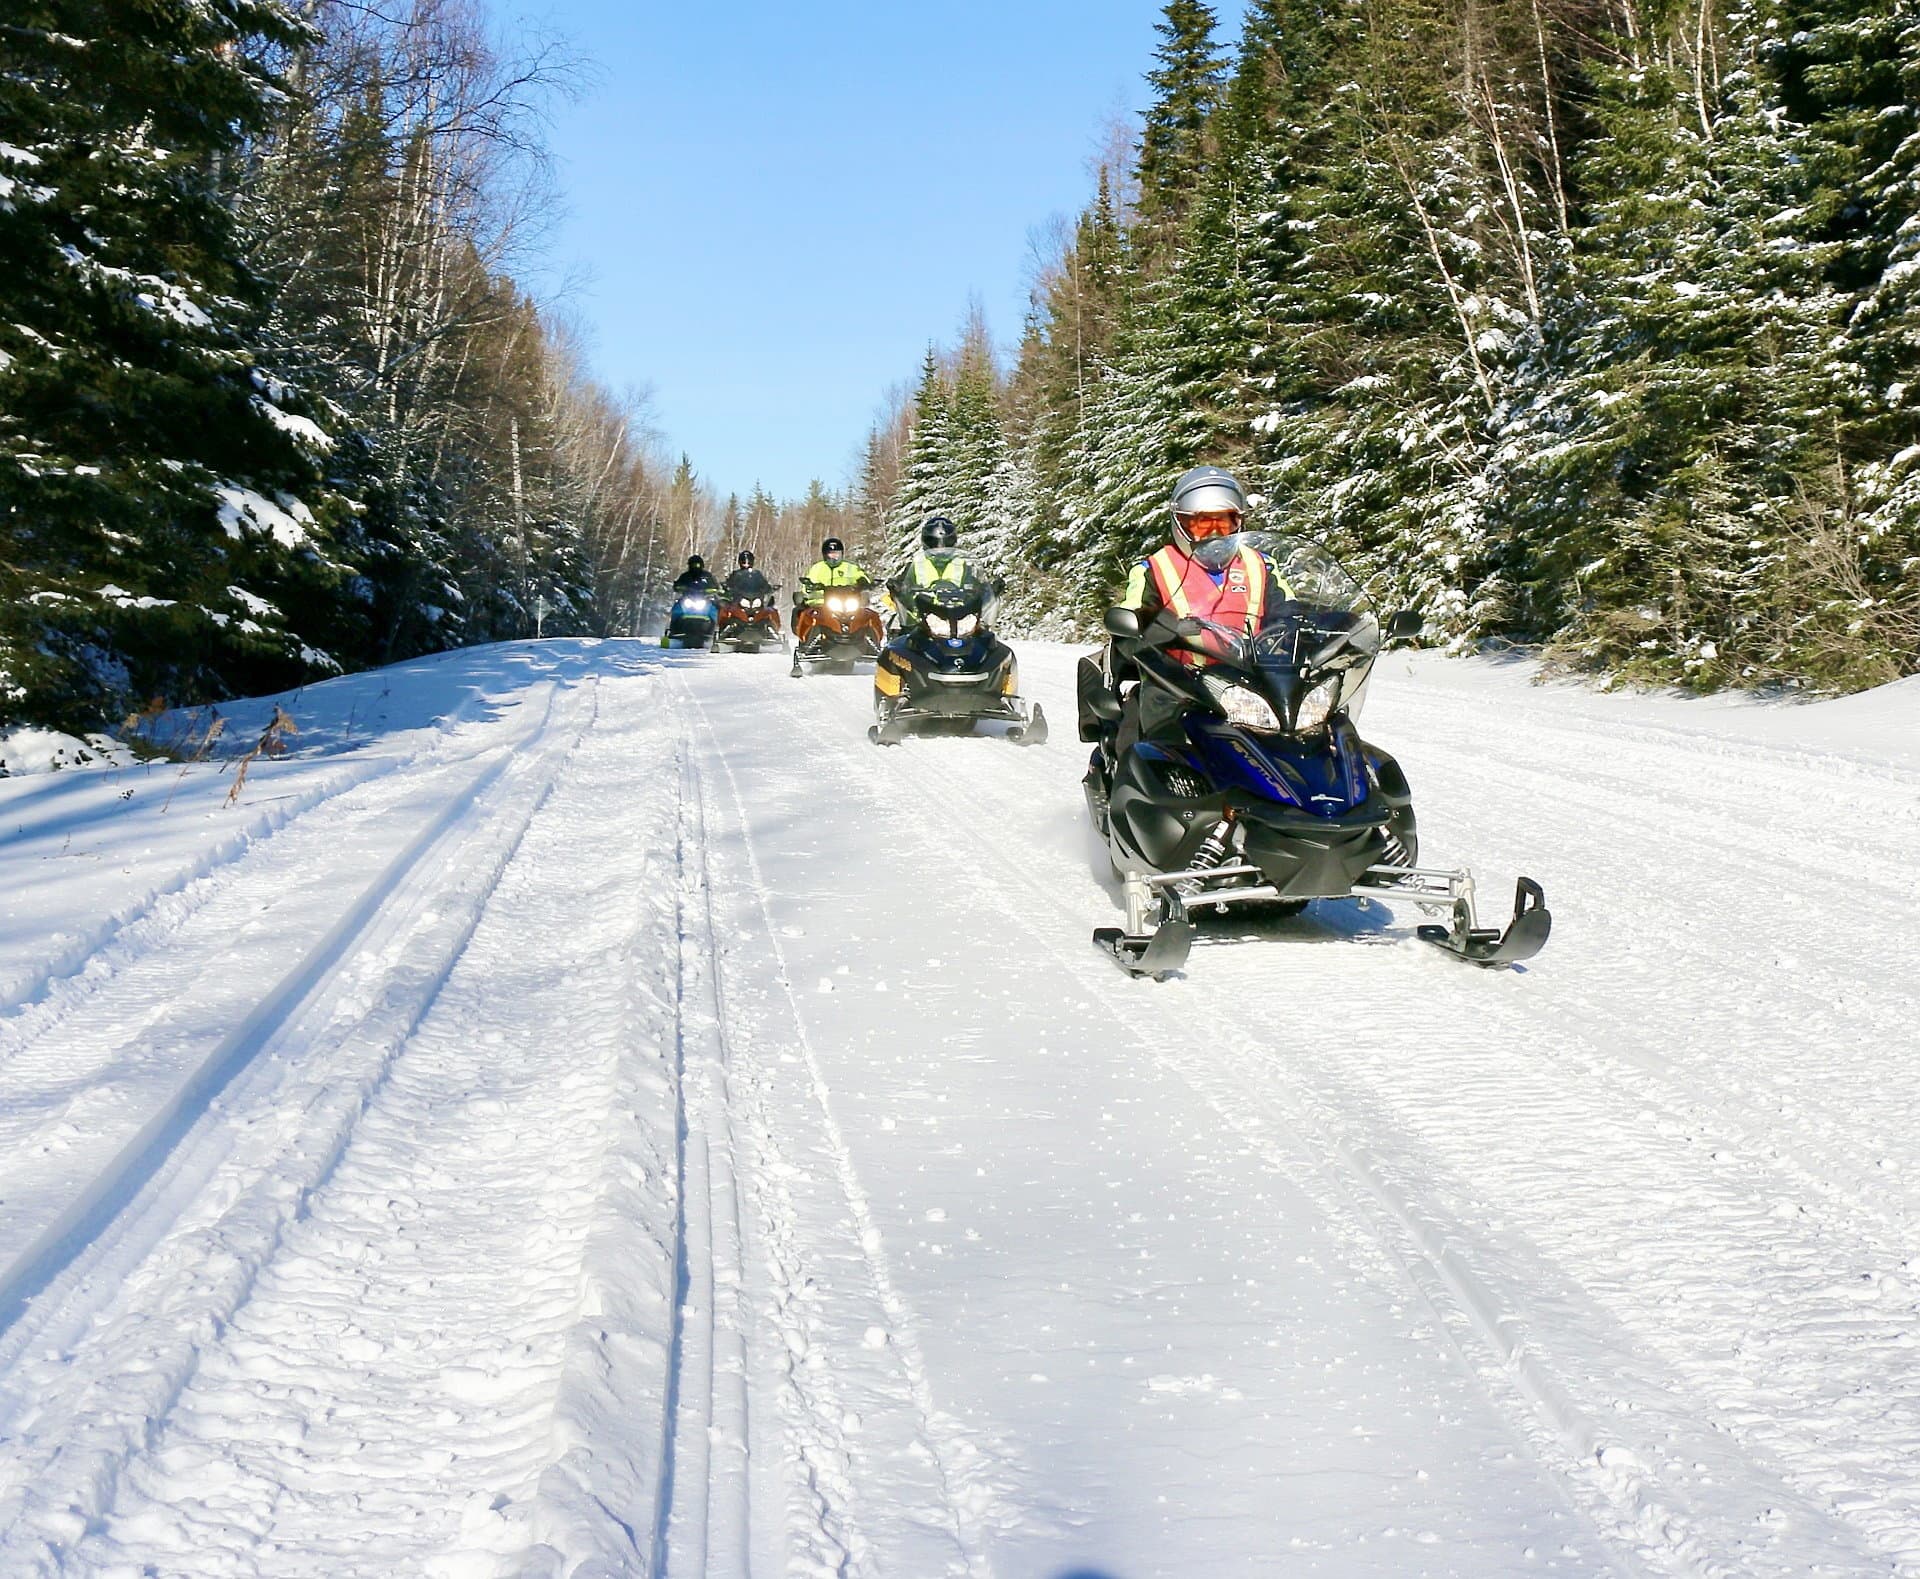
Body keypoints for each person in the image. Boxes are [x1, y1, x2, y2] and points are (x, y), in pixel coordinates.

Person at [1081, 465, 1289, 750]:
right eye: (1203, 524)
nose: (1215, 534)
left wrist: (1331, 625)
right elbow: (1131, 625)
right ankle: (1134, 789)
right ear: (1182, 524)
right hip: (1179, 682)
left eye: (1224, 524)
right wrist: (1164, 629)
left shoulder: (1260, 565)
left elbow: (1291, 610)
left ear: (1238, 524)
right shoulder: (1155, 568)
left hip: (1253, 680)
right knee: (1147, 746)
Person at [797, 537, 872, 605]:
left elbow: (862, 575)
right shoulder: (817, 568)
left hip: (848, 602)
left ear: (842, 554)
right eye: (831, 554)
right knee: (803, 613)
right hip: (821, 604)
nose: (834, 557)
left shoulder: (850, 567)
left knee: (869, 615)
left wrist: (863, 581)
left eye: (836, 554)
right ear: (825, 555)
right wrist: (811, 587)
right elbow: (808, 585)